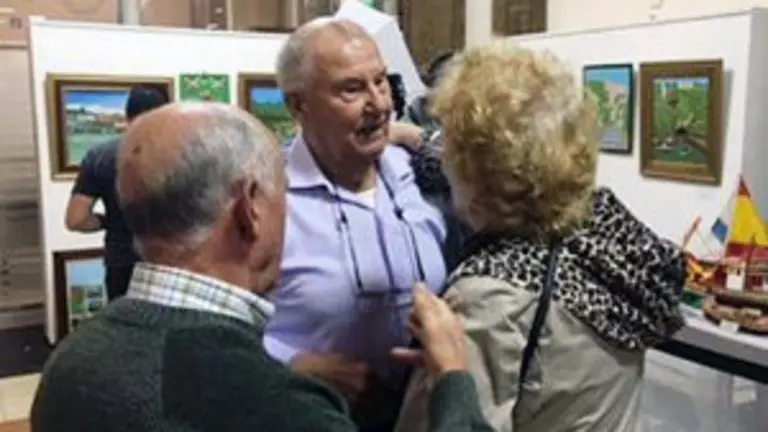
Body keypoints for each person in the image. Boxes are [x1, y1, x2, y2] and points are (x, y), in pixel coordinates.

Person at [30, 102, 494, 432]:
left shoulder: (70, 363)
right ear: (249, 208)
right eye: (284, 196)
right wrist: (453, 377)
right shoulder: (275, 406)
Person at [394, 43, 687, 431]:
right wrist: (413, 137)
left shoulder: (491, 298)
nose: (443, 159)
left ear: (479, 177)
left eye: (450, 146)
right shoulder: (613, 241)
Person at [264, 18, 450, 431]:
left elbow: (505, 169)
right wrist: (289, 363)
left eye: (381, 82)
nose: (379, 104)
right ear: (298, 105)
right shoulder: (265, 198)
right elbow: (214, 329)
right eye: (352, 88)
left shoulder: (416, 173)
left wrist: (416, 137)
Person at [64, 84, 169, 300]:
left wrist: (107, 221)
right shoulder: (181, 154)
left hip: (121, 262)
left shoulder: (99, 156)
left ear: (127, 114)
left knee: (124, 331)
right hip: (169, 264)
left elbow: (76, 219)